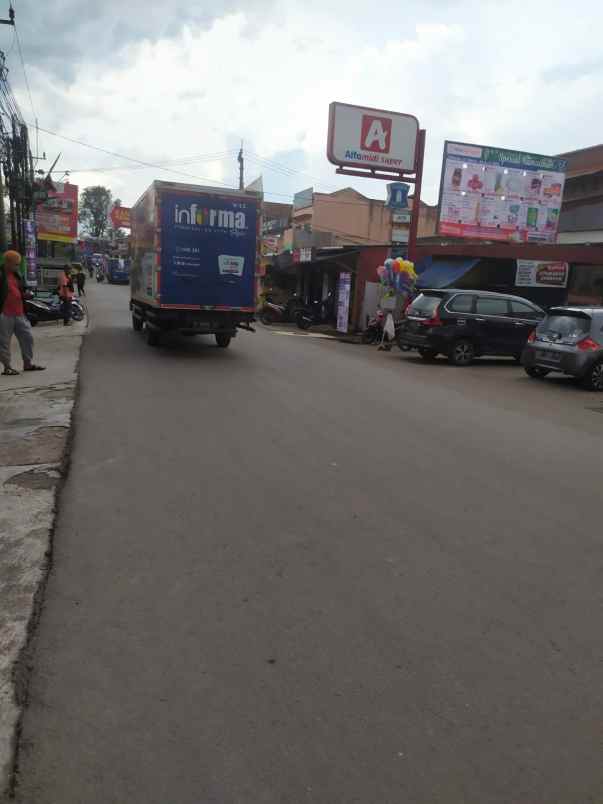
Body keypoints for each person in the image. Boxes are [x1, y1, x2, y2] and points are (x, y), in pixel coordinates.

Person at [0, 249, 45, 376]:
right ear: (7, 262)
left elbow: (20, 291)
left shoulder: (17, 275)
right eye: (15, 264)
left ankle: (27, 363)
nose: (17, 266)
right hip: (4, 314)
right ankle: (7, 367)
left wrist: (26, 295)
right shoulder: (1, 275)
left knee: (27, 338)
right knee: (4, 342)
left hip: (19, 312)